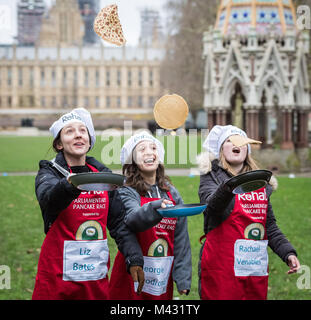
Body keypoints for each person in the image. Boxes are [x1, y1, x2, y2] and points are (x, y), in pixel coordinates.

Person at [32, 108, 144, 300]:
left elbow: (118, 223)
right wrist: (70, 184)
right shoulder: (49, 174)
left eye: (82, 131)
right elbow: (49, 201)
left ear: (89, 140)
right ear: (59, 144)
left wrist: (134, 258)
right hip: (57, 276)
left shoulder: (105, 177)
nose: (78, 135)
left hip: (95, 277)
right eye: (69, 131)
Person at [197, 125, 300, 300]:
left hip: (254, 268)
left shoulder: (260, 184)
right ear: (221, 149)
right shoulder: (210, 177)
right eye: (229, 140)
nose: (235, 144)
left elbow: (269, 226)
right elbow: (212, 208)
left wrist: (288, 252)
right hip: (222, 268)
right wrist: (230, 186)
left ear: (247, 150)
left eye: (241, 141)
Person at [109, 131, 192, 300]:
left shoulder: (171, 193)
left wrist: (183, 277)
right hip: (132, 270)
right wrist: (156, 206)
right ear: (132, 160)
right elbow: (133, 219)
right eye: (141, 149)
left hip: (161, 271)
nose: (149, 152)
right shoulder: (126, 191)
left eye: (153, 148)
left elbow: (181, 237)